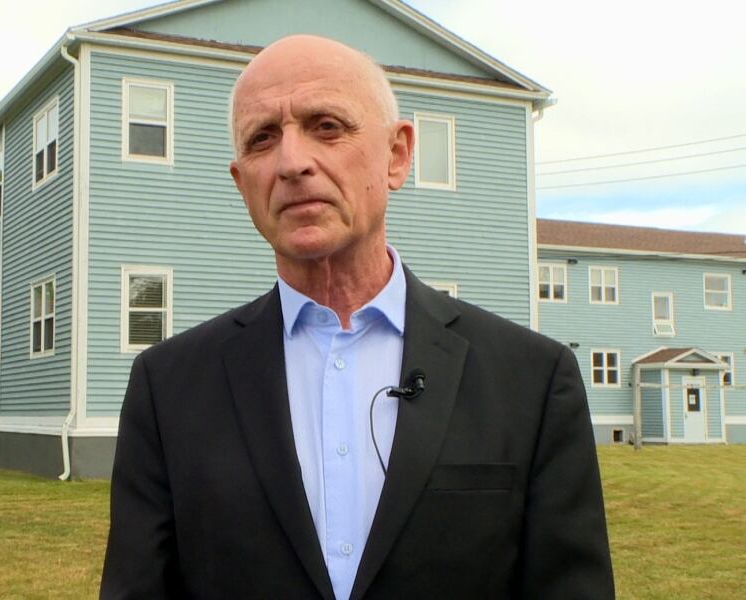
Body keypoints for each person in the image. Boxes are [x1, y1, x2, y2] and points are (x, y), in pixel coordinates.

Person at [101, 35, 614, 599]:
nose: (292, 162)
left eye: (326, 126)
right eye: (262, 138)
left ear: (397, 155)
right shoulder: (169, 387)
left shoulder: (531, 381)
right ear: (241, 181)